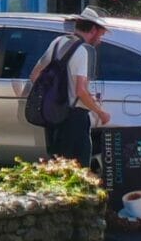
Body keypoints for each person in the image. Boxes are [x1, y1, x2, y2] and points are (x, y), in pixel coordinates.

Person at [39, 12, 112, 167]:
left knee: (58, 167)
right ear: (93, 29)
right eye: (101, 34)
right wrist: (100, 112)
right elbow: (80, 91)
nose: (100, 40)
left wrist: (55, 94)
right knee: (79, 170)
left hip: (53, 115)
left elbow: (35, 75)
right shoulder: (82, 51)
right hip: (75, 118)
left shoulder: (58, 42)